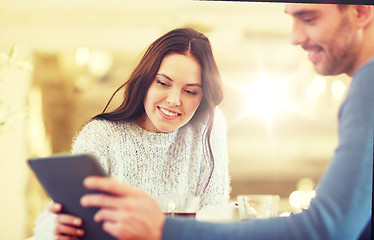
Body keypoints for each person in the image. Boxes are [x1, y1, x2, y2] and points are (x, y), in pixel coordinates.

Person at [79, 3, 373, 240]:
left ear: (361, 11)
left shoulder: (369, 86)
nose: (295, 37)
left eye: (308, 18)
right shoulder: (102, 134)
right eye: (163, 83)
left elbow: (326, 228)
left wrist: (162, 229)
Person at [32, 28, 231, 239]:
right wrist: (53, 227)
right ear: (145, 81)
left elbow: (215, 219)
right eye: (163, 83)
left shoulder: (208, 128)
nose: (174, 100)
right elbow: (65, 213)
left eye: (190, 91)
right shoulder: (101, 135)